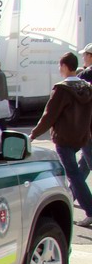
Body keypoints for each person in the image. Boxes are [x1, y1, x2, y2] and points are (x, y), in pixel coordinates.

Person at [30, 52, 92, 228]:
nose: (59, 69)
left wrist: (33, 135)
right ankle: (71, 199)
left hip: (64, 138)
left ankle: (89, 210)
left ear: (64, 66)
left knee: (73, 175)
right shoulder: (87, 88)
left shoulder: (61, 89)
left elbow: (49, 116)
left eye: (60, 66)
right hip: (82, 136)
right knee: (78, 171)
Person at [75, 43, 92, 187]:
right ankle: (73, 193)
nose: (83, 57)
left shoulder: (85, 75)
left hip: (87, 128)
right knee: (84, 165)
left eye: (85, 55)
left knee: (87, 162)